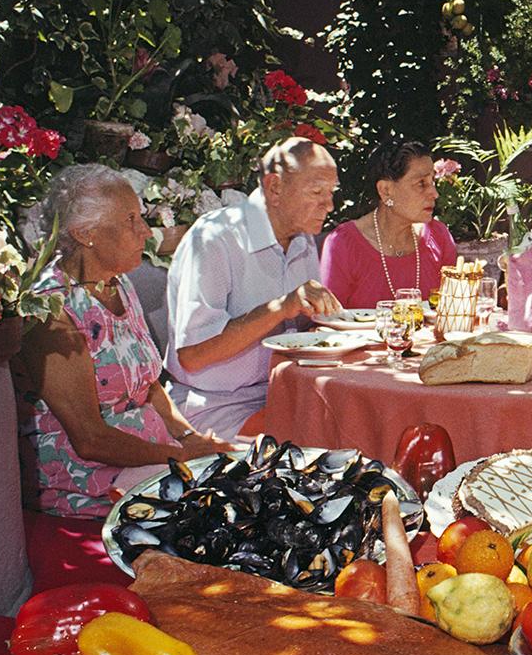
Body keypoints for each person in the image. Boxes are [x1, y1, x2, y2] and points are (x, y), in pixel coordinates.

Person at [16, 165, 239, 518]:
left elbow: (147, 385)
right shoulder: (51, 310)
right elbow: (90, 439)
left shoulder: (114, 283)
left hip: (152, 458)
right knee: (225, 510)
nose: (147, 233)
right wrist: (182, 457)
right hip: (89, 482)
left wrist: (190, 437)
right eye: (131, 220)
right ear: (85, 233)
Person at [165, 136, 341, 437]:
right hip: (215, 408)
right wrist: (281, 308)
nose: (330, 205)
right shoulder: (215, 238)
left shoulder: (301, 238)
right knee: (331, 440)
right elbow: (192, 356)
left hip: (282, 393)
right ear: (274, 188)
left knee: (364, 422)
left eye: (331, 192)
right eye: (317, 192)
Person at [320, 139, 459, 308]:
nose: (434, 194)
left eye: (433, 182)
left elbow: (454, 313)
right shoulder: (343, 244)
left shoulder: (439, 237)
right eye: (421, 183)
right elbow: (328, 322)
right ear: (386, 190)